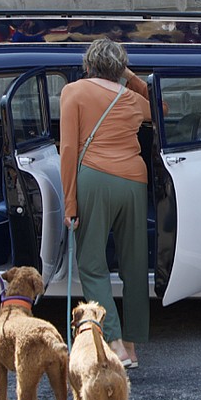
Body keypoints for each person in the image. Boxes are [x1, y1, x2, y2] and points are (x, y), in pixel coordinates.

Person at [60, 39, 151, 368]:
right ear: (119, 68)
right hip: (134, 182)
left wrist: (69, 204)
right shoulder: (131, 98)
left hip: (95, 179)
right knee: (135, 264)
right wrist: (133, 77)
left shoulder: (74, 92)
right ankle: (132, 344)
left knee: (91, 262)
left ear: (88, 65)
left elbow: (68, 150)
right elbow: (162, 110)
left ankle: (114, 341)